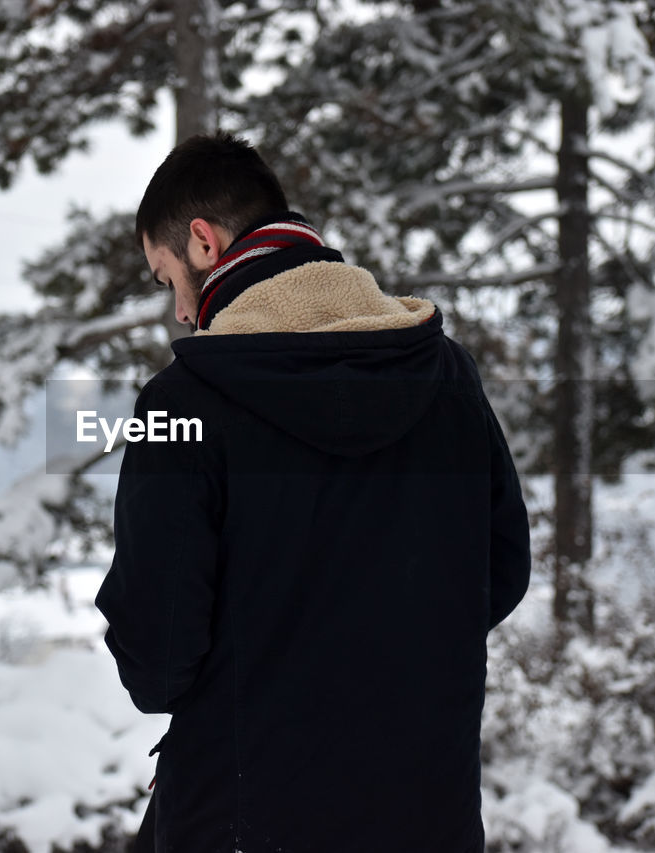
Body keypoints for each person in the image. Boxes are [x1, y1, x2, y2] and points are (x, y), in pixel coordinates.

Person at [94, 132, 531, 853]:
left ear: (204, 242)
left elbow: (157, 657)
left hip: (242, 819)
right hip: (425, 811)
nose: (177, 308)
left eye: (164, 274)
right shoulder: (447, 377)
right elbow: (502, 572)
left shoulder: (184, 402)